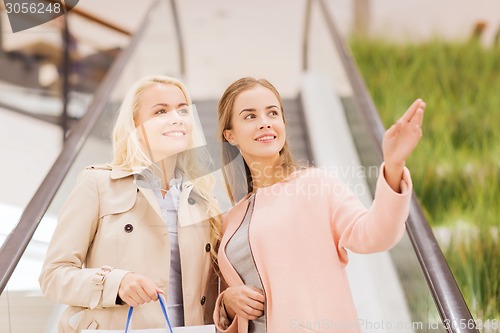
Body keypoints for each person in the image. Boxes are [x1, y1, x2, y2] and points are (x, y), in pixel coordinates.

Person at [213, 77, 425, 332]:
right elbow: (228, 296)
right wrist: (226, 303)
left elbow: (375, 234)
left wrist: (393, 167)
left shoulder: (316, 186)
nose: (265, 123)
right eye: (250, 116)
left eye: (272, 113)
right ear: (230, 135)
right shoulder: (228, 220)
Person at [39, 75, 221, 332]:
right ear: (135, 125)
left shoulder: (203, 200)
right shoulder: (98, 184)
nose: (176, 118)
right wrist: (115, 282)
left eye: (183, 110)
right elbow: (53, 276)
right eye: (160, 111)